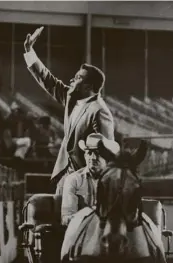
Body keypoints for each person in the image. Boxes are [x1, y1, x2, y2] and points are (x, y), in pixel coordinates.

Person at [23, 27, 115, 195]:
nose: (72, 79)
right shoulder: (72, 99)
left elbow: (106, 151)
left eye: (78, 77)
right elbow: (48, 80)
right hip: (64, 175)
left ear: (89, 86)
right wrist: (29, 52)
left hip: (85, 183)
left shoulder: (100, 111)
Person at [61, 133, 120, 226]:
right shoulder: (74, 180)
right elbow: (66, 218)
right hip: (81, 232)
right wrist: (90, 217)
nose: (92, 158)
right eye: (89, 153)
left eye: (98, 153)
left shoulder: (116, 181)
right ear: (85, 156)